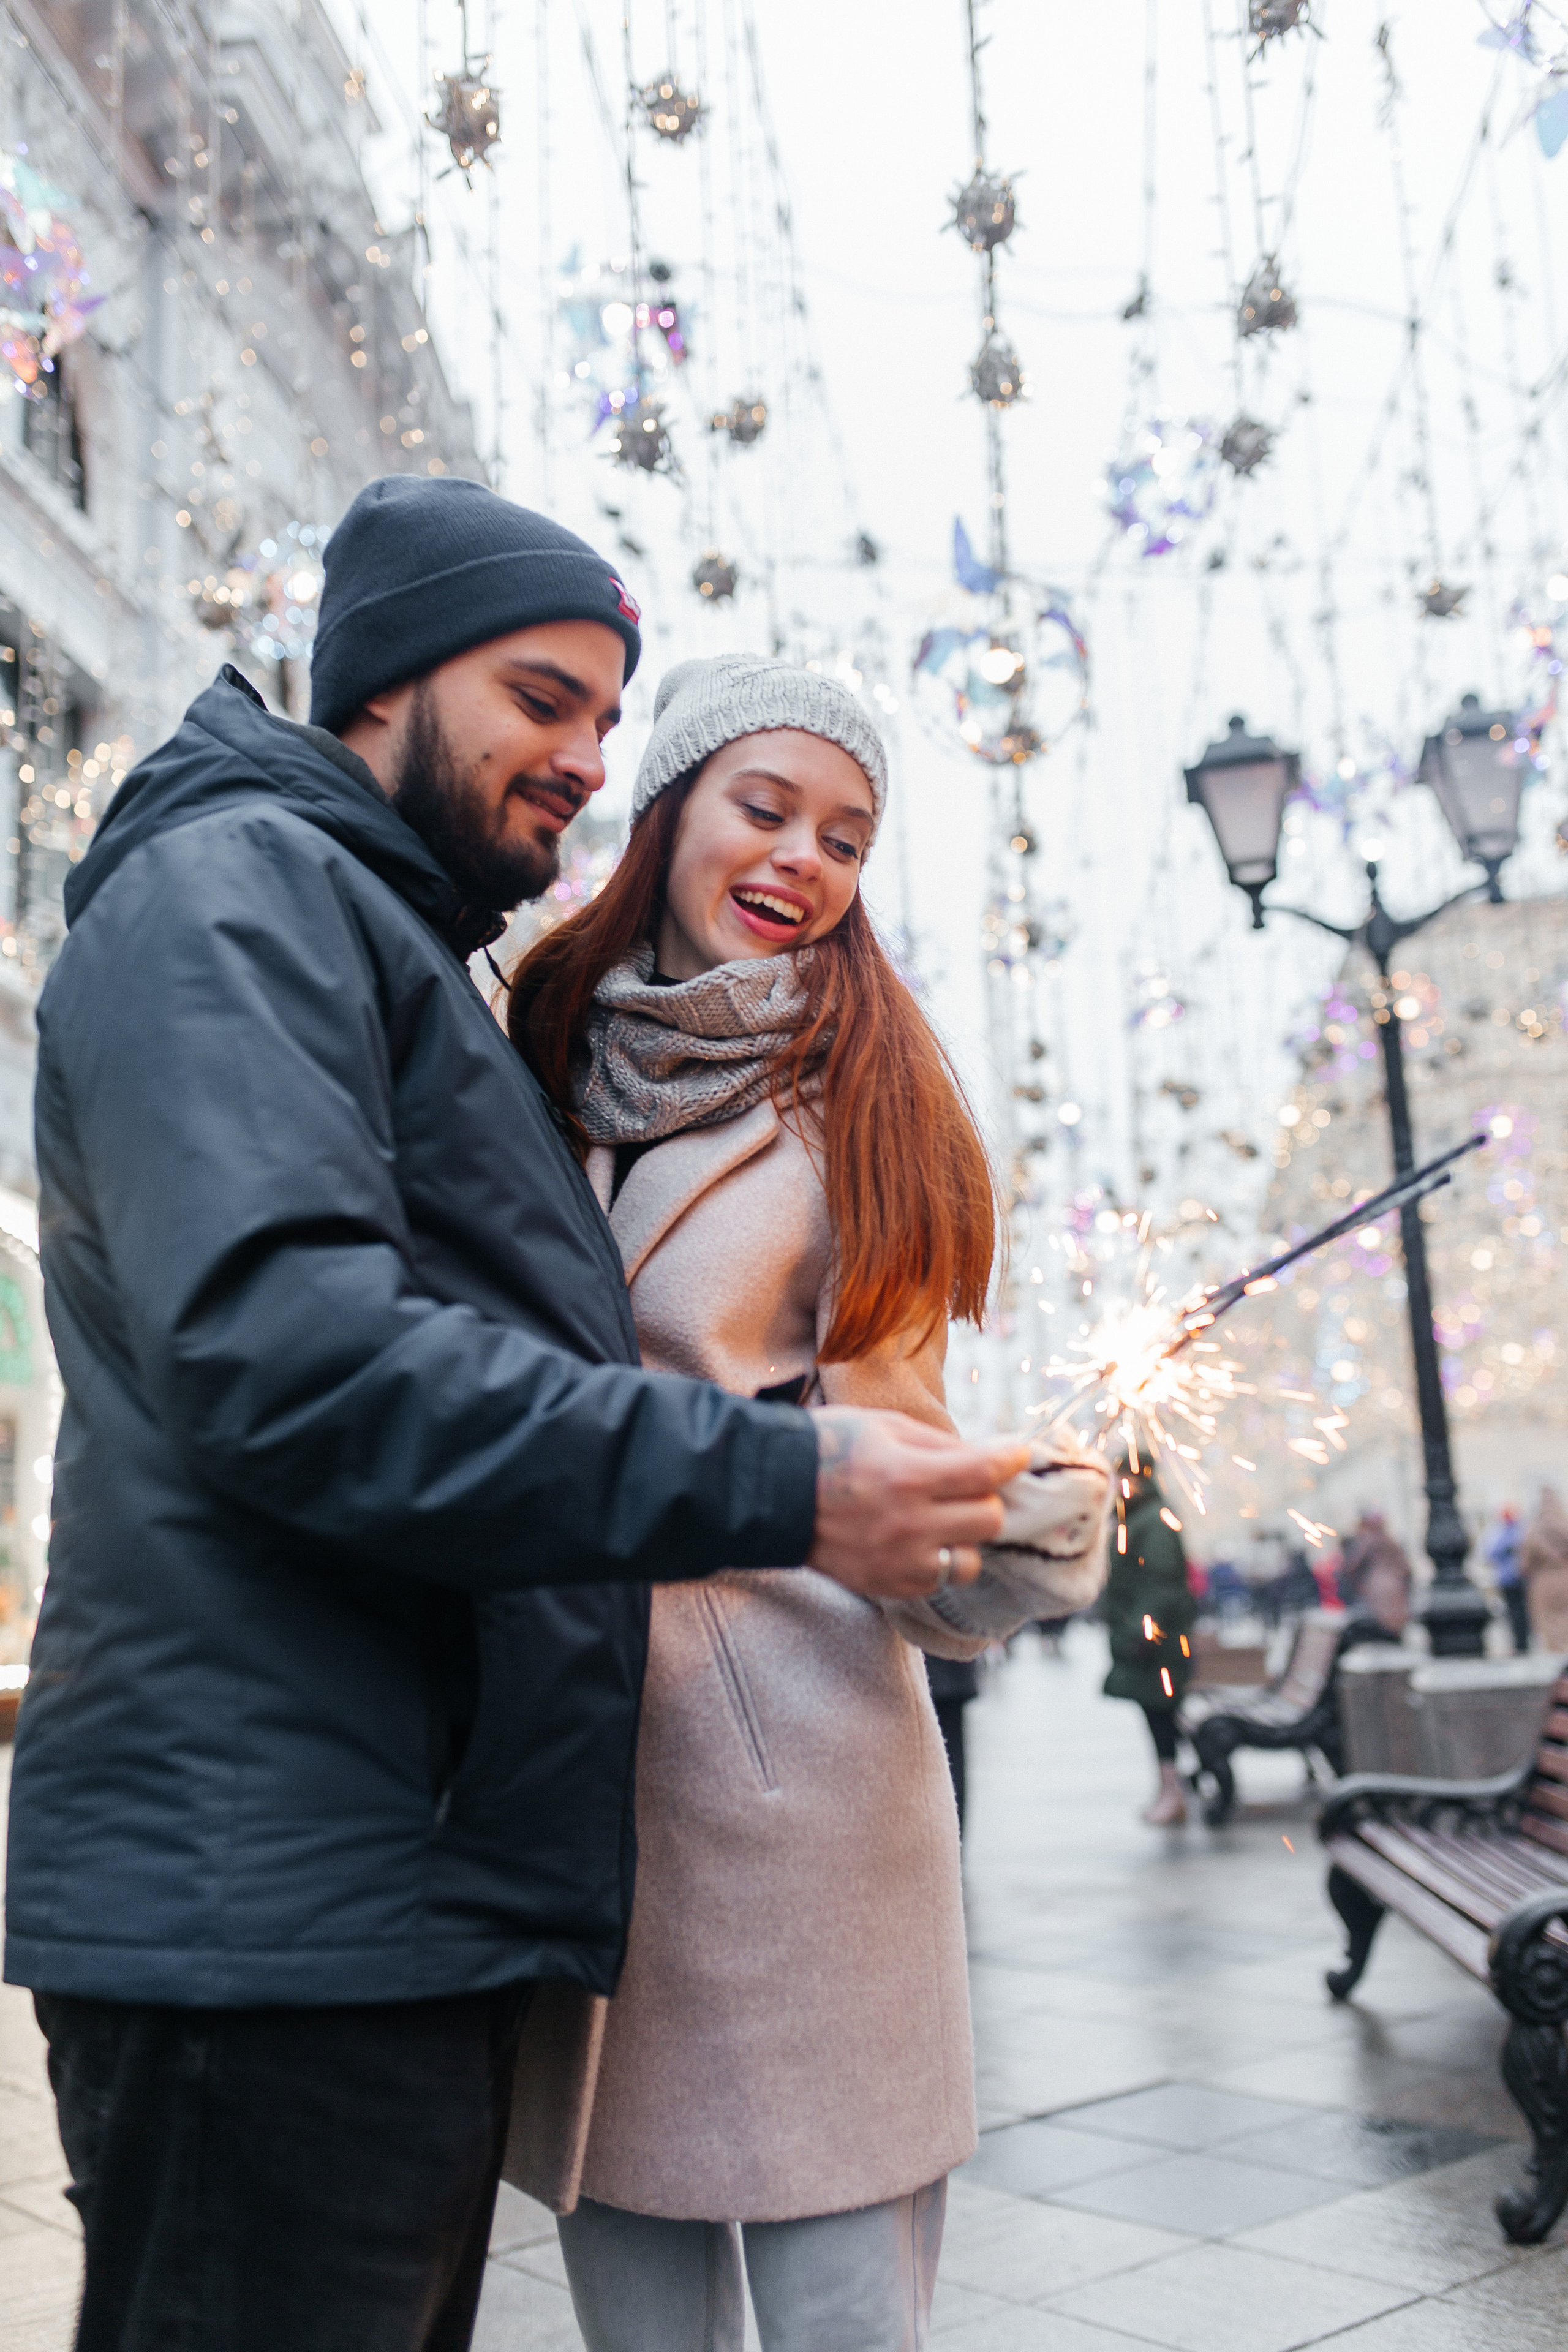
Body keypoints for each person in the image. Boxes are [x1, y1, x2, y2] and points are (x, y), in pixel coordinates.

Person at [2, 482, 1028, 2352]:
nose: (579, 754)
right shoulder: (270, 905)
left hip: (436, 1867)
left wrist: (983, 1532)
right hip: (281, 1882)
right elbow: (300, 1361)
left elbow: (901, 1452)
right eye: (540, 698)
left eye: (603, 717)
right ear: (388, 678)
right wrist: (786, 1479)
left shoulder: (400, 942)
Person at [500, 654, 1110, 2351]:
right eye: (764, 808)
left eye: (844, 837)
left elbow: (895, 1479)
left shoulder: (863, 1110)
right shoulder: (529, 1064)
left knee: (844, 2322)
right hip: (582, 1792)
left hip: (798, 1803)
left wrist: (1012, 1540)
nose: (801, 860)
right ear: (666, 808)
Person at [1103, 1456, 1194, 1826]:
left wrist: (1143, 1633)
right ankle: (1169, 1790)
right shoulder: (1139, 1518)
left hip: (1156, 1644)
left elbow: (1161, 1583)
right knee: (1156, 1715)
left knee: (1161, 1716)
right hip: (1149, 1640)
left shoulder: (1153, 1520)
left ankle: (1173, 1793)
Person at [1337, 1509, 1413, 1636]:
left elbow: (1351, 1567)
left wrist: (1358, 1584)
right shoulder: (1390, 1541)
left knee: (1381, 1619)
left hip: (1376, 1588)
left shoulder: (1366, 1541)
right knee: (1392, 1619)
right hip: (1394, 1586)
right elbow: (1406, 1569)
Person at [1523, 1487, 1568, 1654]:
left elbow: (1526, 1563)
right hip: (1566, 1575)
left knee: (1550, 1623)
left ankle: (1559, 1658)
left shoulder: (1535, 1530)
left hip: (1546, 1581)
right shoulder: (1565, 1524)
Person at [1487, 1505, 1529, 1653]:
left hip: (1517, 1579)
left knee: (1519, 1613)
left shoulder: (1516, 1532)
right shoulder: (1505, 1532)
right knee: (1516, 1613)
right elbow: (1491, 1554)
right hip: (1511, 1580)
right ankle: (1520, 1643)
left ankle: (1522, 1643)